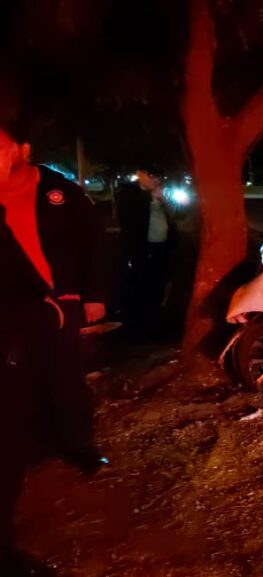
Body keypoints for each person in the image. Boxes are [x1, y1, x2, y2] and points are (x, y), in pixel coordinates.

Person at [1, 123, 106, 574]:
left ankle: (78, 444)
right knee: (20, 388)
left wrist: (94, 294)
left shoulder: (58, 191)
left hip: (63, 302)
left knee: (67, 377)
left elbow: (93, 244)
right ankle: (28, 445)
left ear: (22, 150)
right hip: (17, 314)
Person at [116, 166, 175, 338]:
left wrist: (162, 199)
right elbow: (130, 217)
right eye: (151, 176)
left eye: (157, 176)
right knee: (141, 285)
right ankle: (139, 325)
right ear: (140, 174)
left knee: (158, 285)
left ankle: (155, 320)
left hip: (161, 247)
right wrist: (149, 197)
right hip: (142, 248)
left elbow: (173, 215)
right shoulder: (129, 192)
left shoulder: (158, 193)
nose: (156, 180)